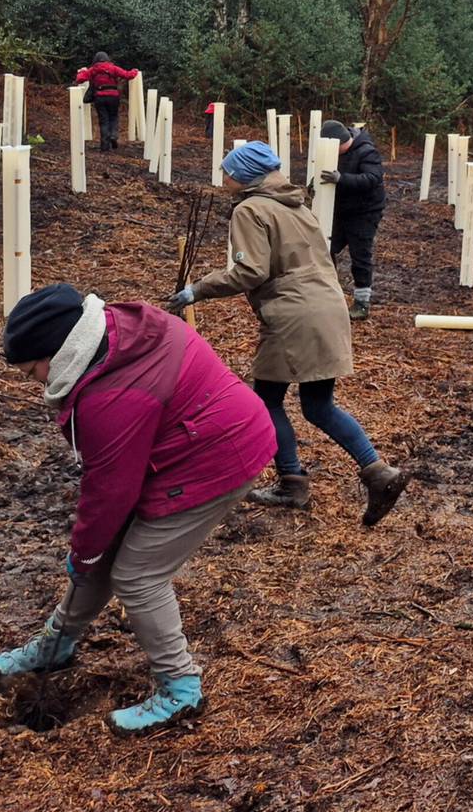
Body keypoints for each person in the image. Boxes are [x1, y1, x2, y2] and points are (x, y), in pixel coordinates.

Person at [0, 283, 275, 733]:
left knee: (137, 575)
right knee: (104, 554)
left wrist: (83, 553)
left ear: (58, 351)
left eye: (32, 370)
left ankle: (181, 689)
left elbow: (110, 491)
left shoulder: (110, 398)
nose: (35, 381)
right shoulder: (118, 330)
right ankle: (55, 646)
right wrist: (90, 555)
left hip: (215, 456)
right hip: (189, 437)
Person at [170, 142, 409, 524]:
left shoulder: (250, 209)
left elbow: (250, 271)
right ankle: (378, 473)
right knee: (318, 405)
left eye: (228, 172)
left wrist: (197, 290)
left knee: (267, 401)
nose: (224, 178)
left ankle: (292, 483)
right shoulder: (297, 206)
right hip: (328, 307)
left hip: (294, 315)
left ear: (245, 175)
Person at [318, 120, 386, 318]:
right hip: (340, 211)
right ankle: (330, 292)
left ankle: (362, 303)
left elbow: (372, 178)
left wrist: (341, 179)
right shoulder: (332, 153)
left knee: (360, 256)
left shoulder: (366, 152)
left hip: (365, 212)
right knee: (325, 248)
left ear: (339, 143)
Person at [75, 51, 140, 151]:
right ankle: (113, 135)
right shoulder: (113, 68)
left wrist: (82, 71)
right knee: (113, 117)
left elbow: (79, 79)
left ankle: (105, 146)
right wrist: (134, 71)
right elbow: (128, 75)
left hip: (99, 97)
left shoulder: (93, 69)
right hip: (113, 97)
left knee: (103, 121)